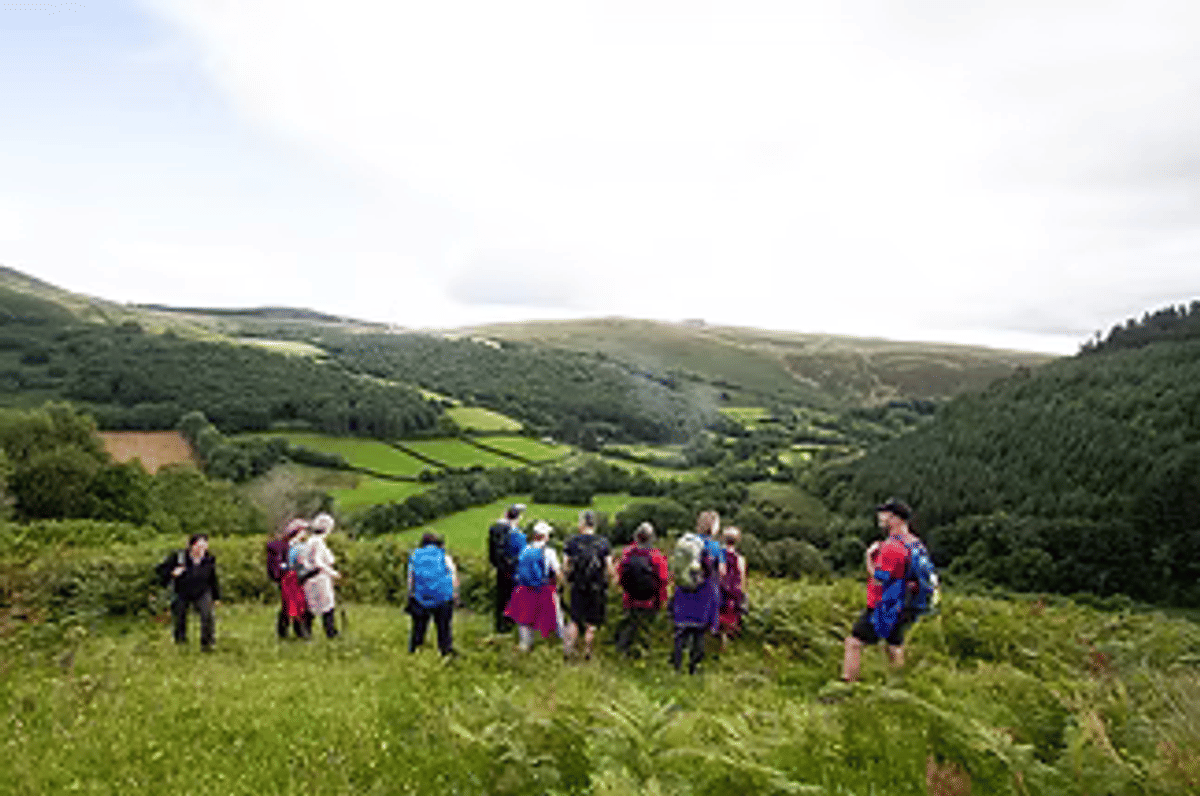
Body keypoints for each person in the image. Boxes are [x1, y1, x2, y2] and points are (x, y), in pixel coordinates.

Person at [841, 498, 923, 682]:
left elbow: (879, 580)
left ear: (896, 519)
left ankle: (848, 685)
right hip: (906, 603)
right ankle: (897, 685)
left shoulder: (891, 547)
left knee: (853, 643)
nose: (880, 517)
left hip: (884, 605)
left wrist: (869, 558)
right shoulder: (914, 542)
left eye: (885, 514)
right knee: (894, 645)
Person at [669, 511, 724, 674]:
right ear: (713, 527)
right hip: (704, 592)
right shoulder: (714, 547)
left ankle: (676, 666)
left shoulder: (686, 542)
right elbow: (722, 571)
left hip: (683, 591)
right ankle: (693, 667)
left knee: (681, 631)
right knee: (699, 632)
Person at [504, 521, 567, 653]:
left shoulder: (525, 549)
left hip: (524, 589)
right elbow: (557, 572)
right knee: (556, 615)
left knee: (525, 617)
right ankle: (561, 643)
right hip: (543, 589)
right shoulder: (549, 552)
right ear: (545, 536)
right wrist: (564, 584)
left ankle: (525, 645)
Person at [562, 509, 614, 661]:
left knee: (574, 620)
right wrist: (609, 582)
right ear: (594, 525)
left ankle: (568, 651)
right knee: (591, 624)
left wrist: (567, 581)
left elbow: (565, 567)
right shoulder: (603, 543)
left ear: (582, 523)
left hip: (578, 586)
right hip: (596, 587)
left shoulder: (572, 542)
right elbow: (609, 568)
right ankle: (587, 653)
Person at [157, 533, 220, 651]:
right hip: (181, 591)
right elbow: (160, 571)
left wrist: (216, 597)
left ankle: (207, 644)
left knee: (207, 615)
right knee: (179, 616)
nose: (201, 550)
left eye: (204, 546)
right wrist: (172, 573)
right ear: (191, 546)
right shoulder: (179, 557)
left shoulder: (209, 559)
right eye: (199, 546)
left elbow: (213, 578)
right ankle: (180, 642)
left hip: (202, 591)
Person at [614, 522, 669, 658]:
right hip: (651, 600)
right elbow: (663, 579)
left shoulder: (627, 554)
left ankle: (622, 653)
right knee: (647, 628)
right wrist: (662, 599)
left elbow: (620, 575)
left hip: (630, 598)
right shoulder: (656, 557)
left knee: (628, 626)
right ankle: (645, 653)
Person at [406, 532, 459, 656]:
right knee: (444, 626)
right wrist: (455, 594)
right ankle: (445, 649)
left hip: (421, 597)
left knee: (419, 626)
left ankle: (415, 648)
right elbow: (453, 576)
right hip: (443, 597)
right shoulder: (444, 556)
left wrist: (411, 594)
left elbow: (411, 578)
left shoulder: (415, 556)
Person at [266, 518, 310, 639]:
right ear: (298, 531)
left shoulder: (296, 545)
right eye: (303, 530)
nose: (305, 533)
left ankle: (292, 632)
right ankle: (292, 632)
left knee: (296, 604)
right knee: (291, 605)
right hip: (287, 578)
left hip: (295, 578)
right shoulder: (285, 546)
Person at [301, 512, 341, 639]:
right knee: (327, 606)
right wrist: (333, 573)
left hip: (310, 578)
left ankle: (306, 632)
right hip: (320, 578)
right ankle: (330, 632)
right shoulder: (318, 542)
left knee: (312, 605)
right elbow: (318, 562)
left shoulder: (310, 541)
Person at [488, 504, 527, 633]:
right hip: (514, 570)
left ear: (506, 514)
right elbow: (523, 555)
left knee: (501, 596)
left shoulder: (496, 529)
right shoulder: (516, 534)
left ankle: (500, 625)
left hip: (501, 569)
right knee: (513, 597)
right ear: (518, 517)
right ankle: (510, 625)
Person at [717, 526, 748, 653]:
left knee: (718, 618)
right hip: (733, 593)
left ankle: (717, 642)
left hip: (720, 591)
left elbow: (720, 574)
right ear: (738, 540)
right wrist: (742, 594)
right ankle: (725, 645)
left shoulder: (719, 555)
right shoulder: (740, 559)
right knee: (729, 619)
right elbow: (742, 578)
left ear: (723, 538)